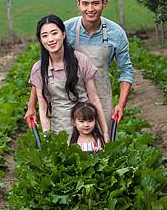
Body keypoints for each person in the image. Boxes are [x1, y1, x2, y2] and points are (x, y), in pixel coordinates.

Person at [24, 0, 133, 135]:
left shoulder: (116, 34)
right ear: (78, 4)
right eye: (85, 3)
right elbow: (43, 67)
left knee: (102, 147)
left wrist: (121, 104)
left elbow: (126, 71)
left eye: (95, 3)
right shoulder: (64, 29)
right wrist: (31, 105)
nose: (90, 9)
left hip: (100, 98)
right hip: (71, 100)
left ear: (104, 4)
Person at [28, 14, 109, 142]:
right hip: (60, 130)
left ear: (63, 34)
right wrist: (47, 139)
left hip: (86, 129)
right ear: (40, 40)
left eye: (54, 33)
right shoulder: (39, 69)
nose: (50, 39)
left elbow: (94, 99)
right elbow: (43, 110)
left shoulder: (81, 60)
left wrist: (105, 133)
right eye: (45, 36)